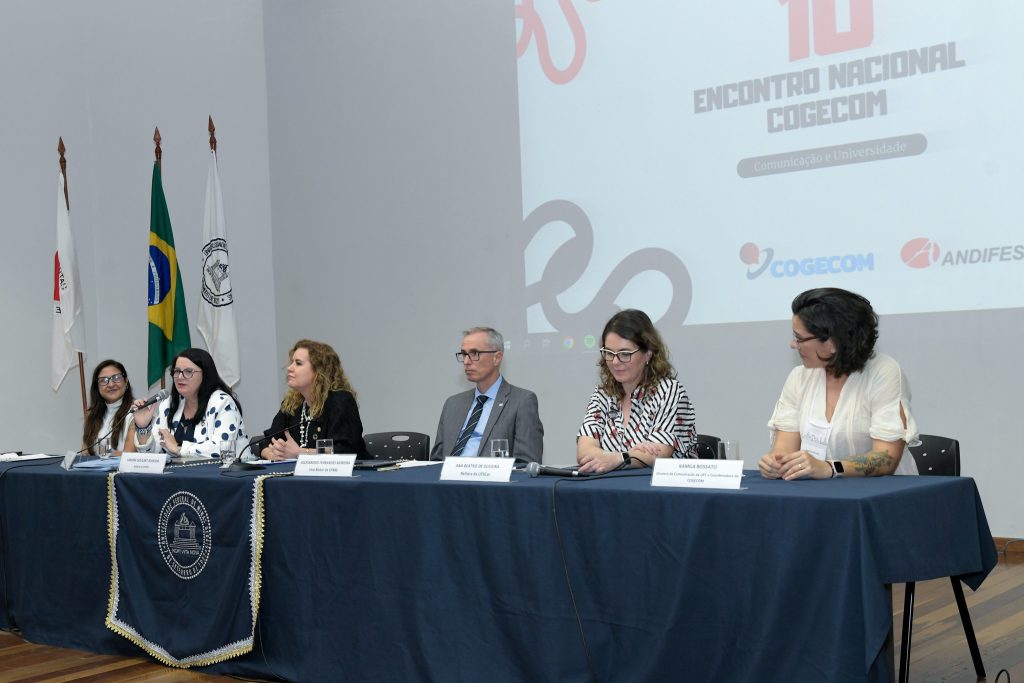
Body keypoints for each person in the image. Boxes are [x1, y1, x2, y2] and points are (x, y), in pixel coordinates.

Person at [759, 287, 919, 480]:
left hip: (883, 492)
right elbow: (784, 447)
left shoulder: (884, 372)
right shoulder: (798, 377)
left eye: (799, 338)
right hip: (816, 491)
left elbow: (885, 459)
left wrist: (830, 468)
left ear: (833, 343)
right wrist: (776, 462)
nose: (792, 345)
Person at [576, 309, 697, 473]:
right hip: (612, 485)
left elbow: (659, 453)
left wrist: (617, 458)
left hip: (664, 486)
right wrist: (631, 455)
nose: (615, 362)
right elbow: (584, 452)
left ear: (648, 354)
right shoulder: (603, 394)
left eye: (625, 354)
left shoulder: (669, 392)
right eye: (609, 353)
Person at [430, 327, 543, 463]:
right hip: (447, 475)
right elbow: (436, 460)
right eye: (464, 354)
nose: (466, 362)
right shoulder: (453, 404)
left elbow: (526, 464)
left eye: (474, 353)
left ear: (497, 358)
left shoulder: (522, 401)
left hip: (489, 476)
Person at [258, 339, 367, 460]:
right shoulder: (292, 404)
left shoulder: (340, 400)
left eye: (298, 363)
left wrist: (300, 453)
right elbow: (266, 441)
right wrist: (271, 454)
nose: (289, 368)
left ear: (319, 370)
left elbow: (344, 449)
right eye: (292, 362)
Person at [131, 347, 246, 457]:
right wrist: (143, 428)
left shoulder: (222, 402)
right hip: (182, 471)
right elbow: (152, 454)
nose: (180, 377)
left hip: (230, 470)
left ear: (205, 374)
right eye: (177, 371)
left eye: (188, 371)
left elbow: (224, 448)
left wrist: (179, 449)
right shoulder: (168, 404)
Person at [81, 360, 136, 454]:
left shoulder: (137, 412)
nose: (111, 384)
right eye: (103, 380)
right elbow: (85, 453)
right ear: (97, 387)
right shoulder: (93, 415)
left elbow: (128, 455)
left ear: (126, 381)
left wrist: (101, 459)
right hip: (96, 464)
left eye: (116, 378)